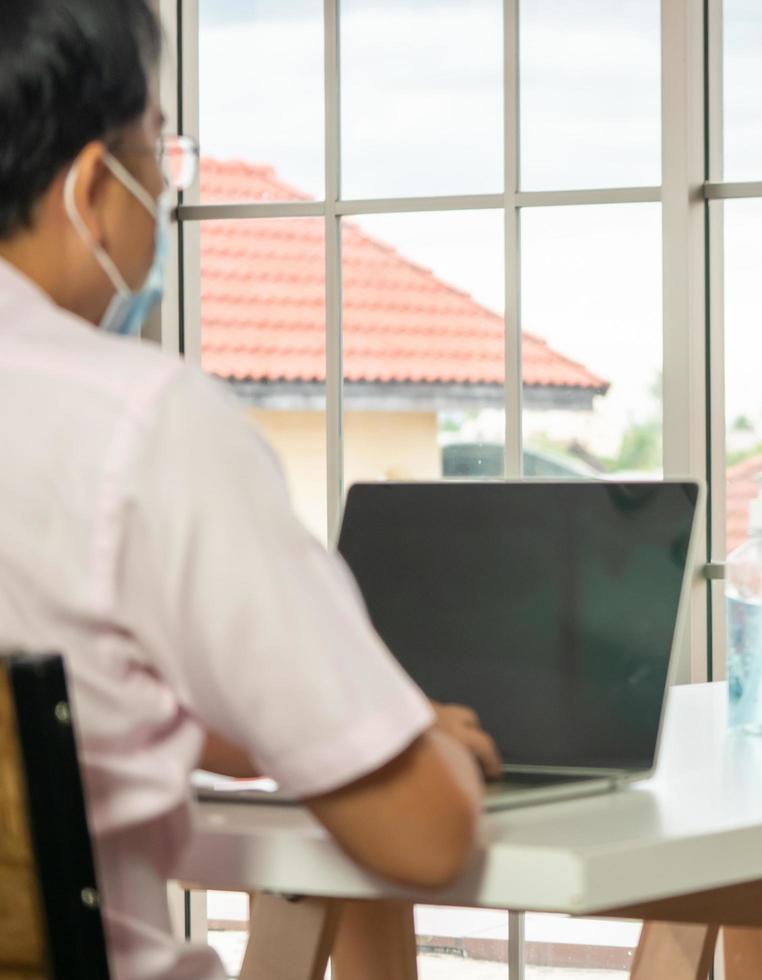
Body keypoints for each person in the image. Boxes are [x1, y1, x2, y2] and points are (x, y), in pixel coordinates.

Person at [0, 2, 501, 977]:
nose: (164, 185)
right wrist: (410, 740)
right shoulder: (141, 421)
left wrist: (236, 731)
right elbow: (425, 837)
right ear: (94, 183)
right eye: (159, 147)